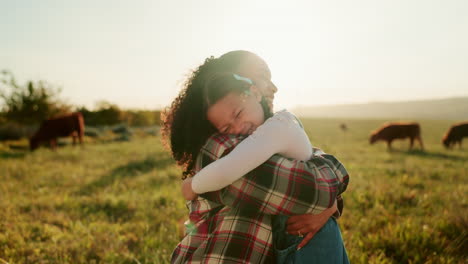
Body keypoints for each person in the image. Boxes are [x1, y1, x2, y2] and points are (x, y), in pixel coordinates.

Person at [162, 51, 349, 263]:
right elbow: (312, 192)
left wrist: (332, 200)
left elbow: (315, 163)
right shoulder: (220, 146)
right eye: (262, 75)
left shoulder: (263, 133)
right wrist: (329, 196)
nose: (273, 87)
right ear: (232, 81)